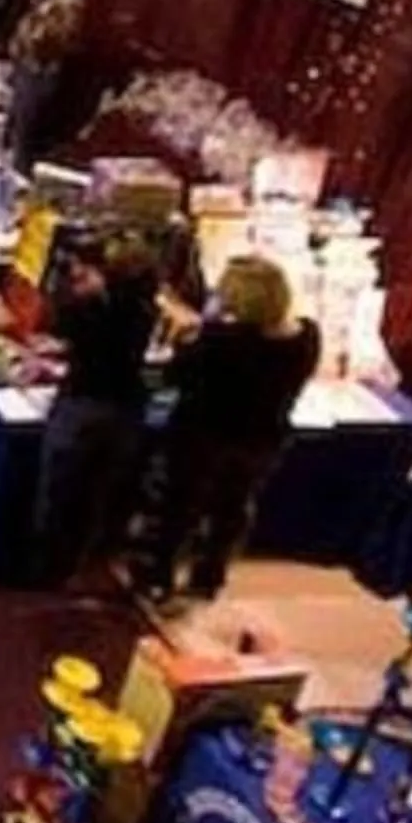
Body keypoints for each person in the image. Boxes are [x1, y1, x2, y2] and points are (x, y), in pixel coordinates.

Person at [130, 255, 321, 605]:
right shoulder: (307, 336)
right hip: (262, 442)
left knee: (179, 508)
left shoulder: (220, 341)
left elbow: (175, 378)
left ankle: (158, 577)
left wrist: (188, 340)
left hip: (202, 440)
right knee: (232, 511)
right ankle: (209, 577)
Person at [33, 234, 159, 585]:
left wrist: (74, 289)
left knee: (60, 488)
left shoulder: (91, 309)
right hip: (127, 408)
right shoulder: (147, 309)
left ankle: (49, 565)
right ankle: (82, 560)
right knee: (99, 491)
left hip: (86, 402)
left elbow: (59, 324)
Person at [8, 0, 90, 160]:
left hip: (39, 73)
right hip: (31, 70)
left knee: (25, 133)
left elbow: (47, 40)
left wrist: (29, 29)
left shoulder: (69, 4)